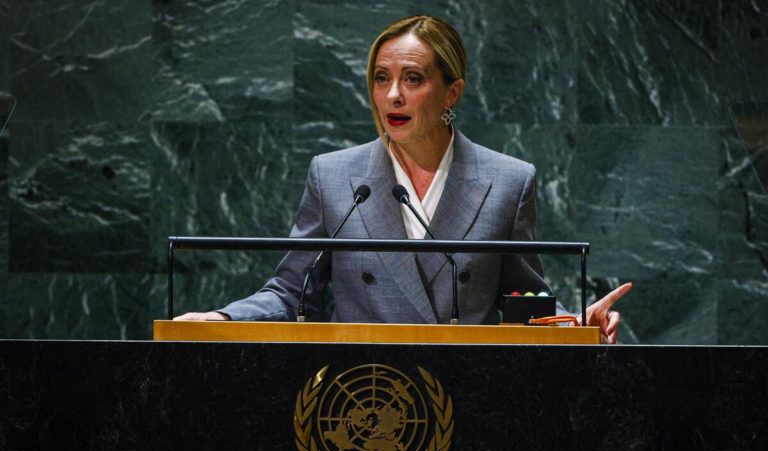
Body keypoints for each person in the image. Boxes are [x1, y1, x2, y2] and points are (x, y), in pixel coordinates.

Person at [174, 14, 632, 343]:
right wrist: (221, 318)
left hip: (470, 392)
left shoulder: (508, 181)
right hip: (363, 394)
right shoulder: (333, 176)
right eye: (381, 78)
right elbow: (293, 292)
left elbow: (522, 298)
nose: (392, 95)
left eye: (412, 79)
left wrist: (576, 326)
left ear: (452, 91)